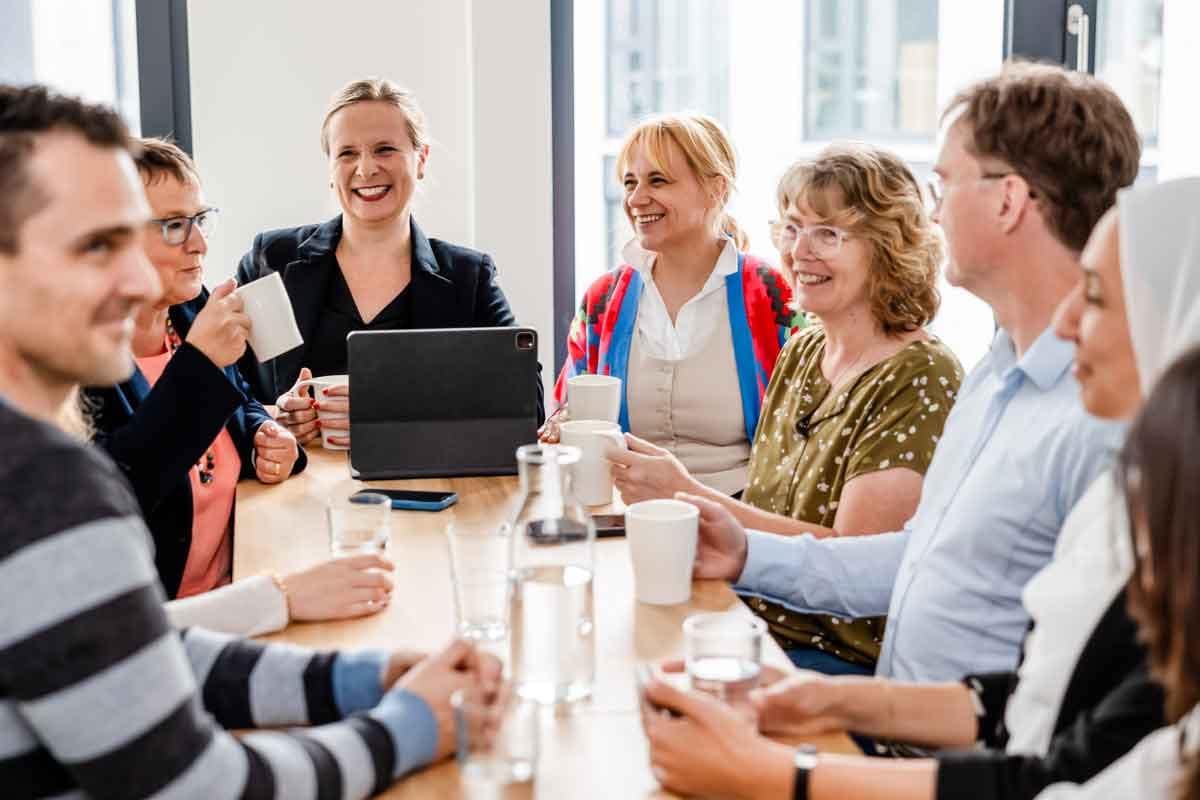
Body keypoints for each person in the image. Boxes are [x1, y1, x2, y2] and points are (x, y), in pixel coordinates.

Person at [0, 83, 501, 798]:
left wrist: (366, 678)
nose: (138, 276)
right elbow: (200, 786)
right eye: (96, 244)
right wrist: (409, 725)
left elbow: (142, 648)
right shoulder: (41, 487)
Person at [639, 176, 1200, 800]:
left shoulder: (1084, 450)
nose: (1066, 324)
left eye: (1093, 296)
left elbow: (1055, 772)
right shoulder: (1022, 401)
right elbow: (1027, 697)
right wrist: (834, 700)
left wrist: (783, 775)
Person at [670, 62, 1140, 684]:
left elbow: (1043, 719)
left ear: (1008, 201)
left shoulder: (1093, 414)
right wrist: (746, 551)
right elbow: (917, 558)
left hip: (935, 753)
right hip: (891, 718)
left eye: (945, 187)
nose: (933, 217)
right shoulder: (996, 378)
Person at [611, 143, 961, 675]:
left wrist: (685, 492)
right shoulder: (804, 350)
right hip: (749, 620)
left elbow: (851, 564)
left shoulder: (920, 375)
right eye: (793, 229)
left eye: (829, 234)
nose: (800, 252)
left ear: (889, 248)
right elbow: (770, 507)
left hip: (834, 660)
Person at [81, 137, 393, 634]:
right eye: (174, 226)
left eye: (200, 220)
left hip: (240, 584)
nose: (200, 244)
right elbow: (119, 493)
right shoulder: (79, 364)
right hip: (168, 627)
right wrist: (200, 364)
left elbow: (240, 403)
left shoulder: (188, 311)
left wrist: (266, 441)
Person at [238, 77, 544, 446]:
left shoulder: (468, 278)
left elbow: (528, 404)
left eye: (384, 149)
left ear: (421, 160)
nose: (366, 169)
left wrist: (387, 410)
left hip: (425, 490)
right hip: (292, 490)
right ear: (330, 168)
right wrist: (273, 417)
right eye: (347, 153)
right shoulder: (272, 261)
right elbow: (224, 389)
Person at [544, 112, 801, 496]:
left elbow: (805, 429)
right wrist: (563, 423)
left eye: (658, 180)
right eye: (630, 183)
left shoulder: (773, 294)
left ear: (716, 190)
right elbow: (567, 407)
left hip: (748, 516)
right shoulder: (603, 299)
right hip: (627, 512)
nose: (636, 198)